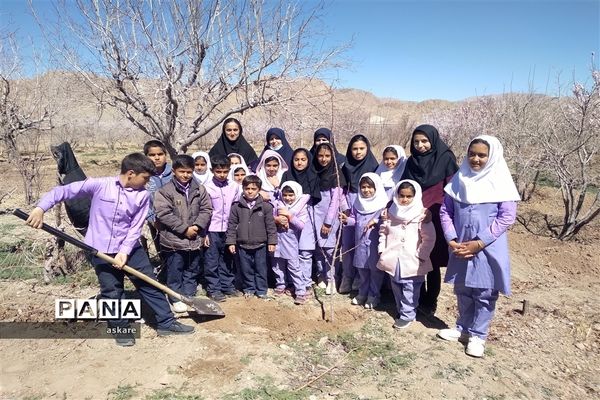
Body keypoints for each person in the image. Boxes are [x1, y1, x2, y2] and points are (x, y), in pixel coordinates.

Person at [25, 153, 194, 346]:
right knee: (112, 290)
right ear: (131, 173)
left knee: (149, 283)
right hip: (99, 248)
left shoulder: (143, 195)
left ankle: (166, 322)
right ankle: (120, 328)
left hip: (130, 248)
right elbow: (62, 192)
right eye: (145, 178)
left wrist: (124, 252)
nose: (147, 182)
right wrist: (40, 209)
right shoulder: (99, 185)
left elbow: (135, 227)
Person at [437, 135, 519, 358]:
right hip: (460, 244)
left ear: (492, 157)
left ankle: (478, 336)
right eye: (472, 154)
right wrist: (451, 237)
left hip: (487, 247)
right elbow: (446, 211)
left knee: (484, 292)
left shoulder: (500, 181)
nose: (476, 159)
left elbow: (506, 217)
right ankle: (462, 328)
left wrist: (479, 242)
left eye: (482, 155)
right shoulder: (459, 179)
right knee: (463, 288)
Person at [401, 124, 458, 317]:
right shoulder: (411, 162)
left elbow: (451, 192)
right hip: (414, 216)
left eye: (424, 141)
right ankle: (416, 296)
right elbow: (404, 187)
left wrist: (436, 210)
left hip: (435, 216)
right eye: (416, 141)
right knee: (414, 255)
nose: (420, 145)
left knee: (432, 261)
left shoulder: (446, 158)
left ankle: (430, 301)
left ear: (433, 140)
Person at [154, 155, 213, 313]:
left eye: (189, 172)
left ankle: (188, 295)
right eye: (182, 172)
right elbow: (164, 214)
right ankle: (175, 296)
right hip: (174, 241)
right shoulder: (165, 191)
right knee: (175, 270)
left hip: (195, 238)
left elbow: (207, 209)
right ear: (174, 171)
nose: (186, 175)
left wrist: (197, 226)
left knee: (192, 269)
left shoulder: (199, 188)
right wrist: (184, 229)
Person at [377, 180, 435, 329]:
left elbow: (429, 238)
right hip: (393, 258)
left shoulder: (422, 216)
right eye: (402, 196)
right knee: (396, 284)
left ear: (415, 197)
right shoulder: (391, 213)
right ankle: (401, 309)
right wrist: (382, 250)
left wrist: (421, 254)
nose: (404, 199)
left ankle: (408, 314)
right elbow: (383, 232)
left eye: (409, 196)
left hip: (412, 260)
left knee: (410, 287)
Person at [340, 173, 388, 309]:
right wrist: (347, 220)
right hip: (360, 243)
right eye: (363, 187)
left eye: (370, 187)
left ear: (376, 188)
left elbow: (386, 222)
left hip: (374, 243)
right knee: (362, 269)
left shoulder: (382, 205)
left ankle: (374, 295)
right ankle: (362, 293)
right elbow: (355, 220)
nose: (366, 190)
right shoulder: (358, 203)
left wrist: (376, 221)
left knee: (375, 271)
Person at [226, 175, 277, 299]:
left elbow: (270, 226)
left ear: (259, 190)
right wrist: (231, 242)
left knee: (261, 268)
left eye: (253, 189)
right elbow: (232, 225)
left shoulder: (266, 206)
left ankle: (261, 290)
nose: (250, 191)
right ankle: (249, 288)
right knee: (246, 268)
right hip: (242, 244)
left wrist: (272, 242)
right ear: (243, 188)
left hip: (260, 244)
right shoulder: (236, 206)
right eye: (247, 188)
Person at [339, 134, 379, 294]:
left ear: (367, 149)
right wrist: (345, 206)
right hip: (349, 207)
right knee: (347, 245)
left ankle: (360, 277)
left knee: (363, 244)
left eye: (362, 148)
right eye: (354, 149)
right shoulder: (345, 166)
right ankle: (347, 276)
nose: (358, 152)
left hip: (369, 209)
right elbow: (340, 189)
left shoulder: (374, 167)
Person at [203, 155, 242, 302]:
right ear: (212, 170)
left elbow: (236, 207)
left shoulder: (234, 187)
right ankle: (214, 289)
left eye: (225, 171)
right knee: (211, 260)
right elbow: (204, 211)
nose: (222, 175)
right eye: (219, 172)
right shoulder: (207, 187)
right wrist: (204, 233)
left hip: (229, 229)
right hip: (212, 229)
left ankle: (227, 285)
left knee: (227, 258)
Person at [281, 148, 320, 290]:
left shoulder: (313, 176)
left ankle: (305, 282)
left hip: (305, 216)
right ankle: (293, 282)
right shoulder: (287, 175)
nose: (299, 162)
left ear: (308, 161)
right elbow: (281, 195)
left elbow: (311, 197)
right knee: (291, 251)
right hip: (287, 215)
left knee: (305, 251)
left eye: (303, 159)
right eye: (296, 159)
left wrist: (294, 209)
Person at [312, 143, 346, 295]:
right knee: (318, 249)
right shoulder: (314, 171)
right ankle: (321, 275)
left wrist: (328, 221)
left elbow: (335, 200)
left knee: (330, 249)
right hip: (315, 215)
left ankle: (332, 278)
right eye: (320, 155)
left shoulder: (335, 174)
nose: (323, 159)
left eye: (327, 156)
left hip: (329, 217)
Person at [271, 181, 310, 304]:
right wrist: (278, 220)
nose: (287, 198)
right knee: (277, 264)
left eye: (291, 195)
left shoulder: (301, 208)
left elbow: (301, 225)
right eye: (285, 195)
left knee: (293, 266)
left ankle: (300, 290)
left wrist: (289, 217)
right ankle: (281, 284)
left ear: (296, 194)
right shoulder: (277, 204)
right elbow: (269, 217)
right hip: (276, 239)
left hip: (290, 240)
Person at [143, 140, 173, 257]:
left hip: (177, 218)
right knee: (161, 249)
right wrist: (152, 219)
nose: (156, 158)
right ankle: (164, 272)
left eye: (160, 154)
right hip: (156, 220)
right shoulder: (144, 176)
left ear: (165, 155)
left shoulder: (175, 172)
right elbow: (143, 201)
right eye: (152, 155)